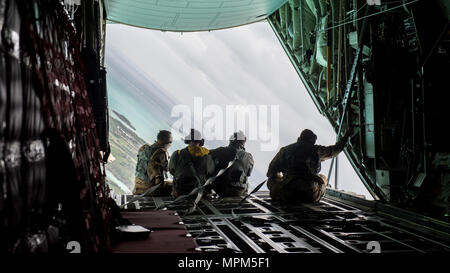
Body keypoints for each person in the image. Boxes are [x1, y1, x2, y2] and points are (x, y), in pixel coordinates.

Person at [266, 129, 352, 203]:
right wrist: (346, 135)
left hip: (288, 194)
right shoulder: (316, 150)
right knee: (323, 178)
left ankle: (279, 193)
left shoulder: (285, 150)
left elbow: (270, 172)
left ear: (299, 139)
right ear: (312, 141)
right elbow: (336, 150)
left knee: (272, 180)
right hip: (310, 194)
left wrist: (281, 177)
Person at [169, 129, 215, 197]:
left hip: (179, 192)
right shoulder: (208, 156)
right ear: (200, 142)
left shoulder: (177, 154)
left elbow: (171, 171)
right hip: (197, 194)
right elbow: (210, 172)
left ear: (188, 140)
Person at [209, 131, 254, 197]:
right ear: (243, 143)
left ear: (231, 140)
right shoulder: (249, 157)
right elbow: (248, 174)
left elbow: (205, 155)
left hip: (220, 189)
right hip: (239, 191)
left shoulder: (220, 151)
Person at [132, 130, 172, 195]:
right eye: (170, 142)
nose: (170, 145)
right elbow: (166, 169)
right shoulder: (162, 153)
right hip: (149, 189)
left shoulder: (143, 148)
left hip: (137, 185)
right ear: (164, 142)